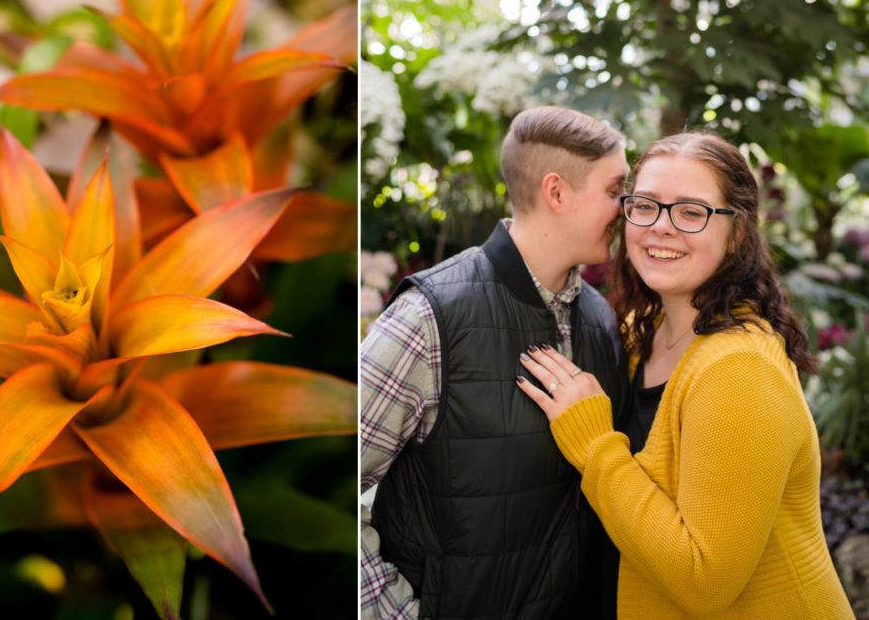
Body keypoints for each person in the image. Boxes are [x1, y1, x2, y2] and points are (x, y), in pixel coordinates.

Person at [516, 131, 855, 620]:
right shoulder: (641, 332)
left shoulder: (740, 369)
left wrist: (595, 446)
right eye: (647, 205)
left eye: (692, 212)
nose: (662, 227)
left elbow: (703, 581)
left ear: (737, 232)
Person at [361, 105, 630, 620]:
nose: (627, 207)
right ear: (556, 192)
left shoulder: (598, 319)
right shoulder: (430, 316)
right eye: (615, 191)